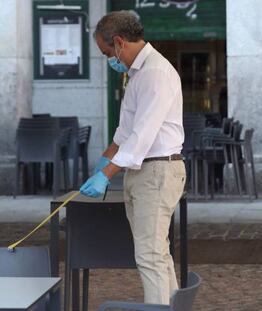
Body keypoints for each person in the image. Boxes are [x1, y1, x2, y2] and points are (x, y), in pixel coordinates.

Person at [79, 11, 186, 304]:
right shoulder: (138, 73)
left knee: (150, 256)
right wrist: (103, 161)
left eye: (106, 53)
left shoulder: (155, 73)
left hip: (158, 170)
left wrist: (107, 174)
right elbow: (124, 131)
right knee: (157, 254)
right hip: (145, 172)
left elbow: (143, 135)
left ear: (119, 42)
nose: (108, 60)